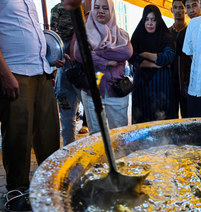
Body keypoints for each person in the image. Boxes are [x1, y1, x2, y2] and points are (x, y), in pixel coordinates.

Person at [0, 0, 61, 192]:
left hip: (41, 71)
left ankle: (50, 185)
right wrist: (4, 74)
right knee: (18, 135)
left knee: (49, 132)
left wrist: (51, 58)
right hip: (15, 72)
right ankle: (16, 190)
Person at [75, 0, 133, 134]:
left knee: (119, 136)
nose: (101, 11)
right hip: (92, 94)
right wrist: (106, 62)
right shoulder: (85, 33)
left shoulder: (121, 34)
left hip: (116, 92)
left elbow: (126, 52)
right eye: (97, 7)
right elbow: (79, 54)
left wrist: (96, 52)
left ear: (111, 11)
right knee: (96, 138)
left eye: (105, 8)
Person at [129, 5, 175, 124]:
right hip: (141, 89)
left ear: (158, 21)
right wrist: (154, 64)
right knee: (141, 126)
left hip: (161, 88)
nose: (150, 23)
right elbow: (132, 57)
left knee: (161, 126)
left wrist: (146, 54)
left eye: (153, 20)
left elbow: (169, 57)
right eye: (147, 19)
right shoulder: (138, 36)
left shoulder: (165, 37)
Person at [51, 0, 86, 144]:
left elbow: (82, 31)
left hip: (81, 67)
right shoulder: (56, 9)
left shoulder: (83, 8)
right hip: (64, 68)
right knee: (66, 115)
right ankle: (69, 151)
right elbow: (53, 36)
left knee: (92, 111)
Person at [175, 0, 201, 118]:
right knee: (189, 118)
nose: (191, 10)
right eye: (188, 7)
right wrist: (181, 85)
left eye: (194, 5)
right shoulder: (182, 34)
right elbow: (181, 61)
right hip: (190, 83)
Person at [169, 0, 187, 119]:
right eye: (175, 7)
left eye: (181, 7)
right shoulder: (166, 33)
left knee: (188, 115)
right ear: (171, 10)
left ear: (185, 10)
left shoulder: (190, 31)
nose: (178, 11)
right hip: (170, 80)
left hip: (187, 81)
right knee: (171, 116)